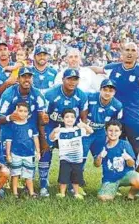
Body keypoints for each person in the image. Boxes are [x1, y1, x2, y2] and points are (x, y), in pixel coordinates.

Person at [91, 42, 139, 154]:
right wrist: (81, 69)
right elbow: (97, 70)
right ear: (122, 52)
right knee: (115, 147)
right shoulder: (113, 68)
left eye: (133, 50)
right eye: (127, 50)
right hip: (116, 117)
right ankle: (118, 171)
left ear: (137, 54)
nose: (130, 53)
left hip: (134, 118)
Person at [39, 68, 88, 197]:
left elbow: (83, 117)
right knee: (46, 153)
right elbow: (42, 118)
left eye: (75, 79)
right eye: (69, 79)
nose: (72, 82)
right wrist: (43, 140)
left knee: (73, 156)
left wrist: (80, 133)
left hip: (69, 129)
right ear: (63, 80)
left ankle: (73, 185)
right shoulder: (51, 94)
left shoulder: (81, 95)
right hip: (52, 126)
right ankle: (43, 184)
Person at [81, 79, 123, 185]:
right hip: (86, 132)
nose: (107, 93)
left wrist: (110, 137)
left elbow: (115, 123)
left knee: (100, 160)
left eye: (111, 90)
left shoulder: (117, 105)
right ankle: (77, 181)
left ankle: (108, 182)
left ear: (114, 93)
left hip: (100, 134)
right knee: (81, 157)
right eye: (105, 89)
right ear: (100, 90)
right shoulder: (89, 97)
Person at [94, 120, 139, 201]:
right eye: (110, 130)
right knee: (103, 198)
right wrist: (100, 156)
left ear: (120, 132)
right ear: (106, 131)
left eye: (116, 130)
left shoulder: (125, 144)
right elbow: (96, 165)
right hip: (110, 178)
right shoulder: (102, 146)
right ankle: (113, 188)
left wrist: (128, 158)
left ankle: (130, 196)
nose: (113, 133)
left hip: (126, 174)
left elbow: (131, 164)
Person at [49, 109, 93, 199]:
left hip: (77, 159)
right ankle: (62, 193)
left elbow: (90, 131)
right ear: (63, 119)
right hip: (64, 158)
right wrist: (54, 131)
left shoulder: (78, 130)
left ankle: (76, 193)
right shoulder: (60, 131)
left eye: (72, 117)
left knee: (76, 177)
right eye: (67, 117)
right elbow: (51, 138)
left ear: (75, 118)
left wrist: (84, 125)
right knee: (63, 176)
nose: (70, 119)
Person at [4, 102, 41, 198]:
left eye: (25, 111)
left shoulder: (31, 124)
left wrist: (38, 151)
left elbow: (35, 138)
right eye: (20, 111)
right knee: (15, 173)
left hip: (29, 154)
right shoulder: (11, 125)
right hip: (16, 153)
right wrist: (8, 154)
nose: (23, 113)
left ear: (28, 113)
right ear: (16, 111)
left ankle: (31, 192)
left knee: (29, 175)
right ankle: (15, 193)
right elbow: (9, 141)